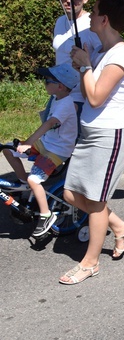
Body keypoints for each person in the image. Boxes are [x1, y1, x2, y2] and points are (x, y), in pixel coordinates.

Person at [61, 0, 124, 285]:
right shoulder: (102, 51)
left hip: (109, 135)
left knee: (95, 201)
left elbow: (94, 97)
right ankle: (120, 226)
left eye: (93, 12)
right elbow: (87, 87)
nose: (90, 17)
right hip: (91, 132)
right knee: (71, 193)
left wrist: (85, 66)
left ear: (104, 19)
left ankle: (90, 263)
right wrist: (83, 62)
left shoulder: (120, 55)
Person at [2, 64, 79, 238]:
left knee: (35, 179)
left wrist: (29, 142)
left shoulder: (65, 104)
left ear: (60, 86)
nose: (44, 83)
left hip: (57, 151)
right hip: (46, 144)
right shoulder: (58, 99)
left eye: (47, 81)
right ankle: (23, 184)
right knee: (8, 149)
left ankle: (46, 215)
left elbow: (49, 123)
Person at [52, 0, 102, 115]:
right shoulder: (60, 21)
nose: (68, 0)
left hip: (79, 97)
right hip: (58, 94)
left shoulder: (90, 24)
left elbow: (103, 58)